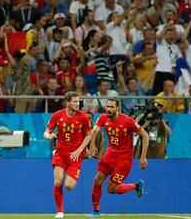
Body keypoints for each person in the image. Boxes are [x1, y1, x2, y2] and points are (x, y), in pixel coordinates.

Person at [88, 98, 149, 217]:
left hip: (124, 160)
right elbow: (94, 131)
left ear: (117, 108)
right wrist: (92, 145)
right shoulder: (103, 117)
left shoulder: (128, 121)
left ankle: (136, 185)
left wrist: (143, 157)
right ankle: (96, 212)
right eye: (107, 107)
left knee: (111, 189)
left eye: (112, 107)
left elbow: (145, 136)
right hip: (110, 155)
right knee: (97, 179)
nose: (109, 109)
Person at [43, 91, 92, 219]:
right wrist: (49, 136)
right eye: (75, 101)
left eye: (78, 101)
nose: (77, 104)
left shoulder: (83, 117)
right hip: (61, 153)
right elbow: (46, 132)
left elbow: (89, 135)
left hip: (76, 156)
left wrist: (80, 150)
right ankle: (59, 211)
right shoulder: (57, 115)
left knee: (69, 186)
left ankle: (61, 208)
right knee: (58, 182)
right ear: (67, 102)